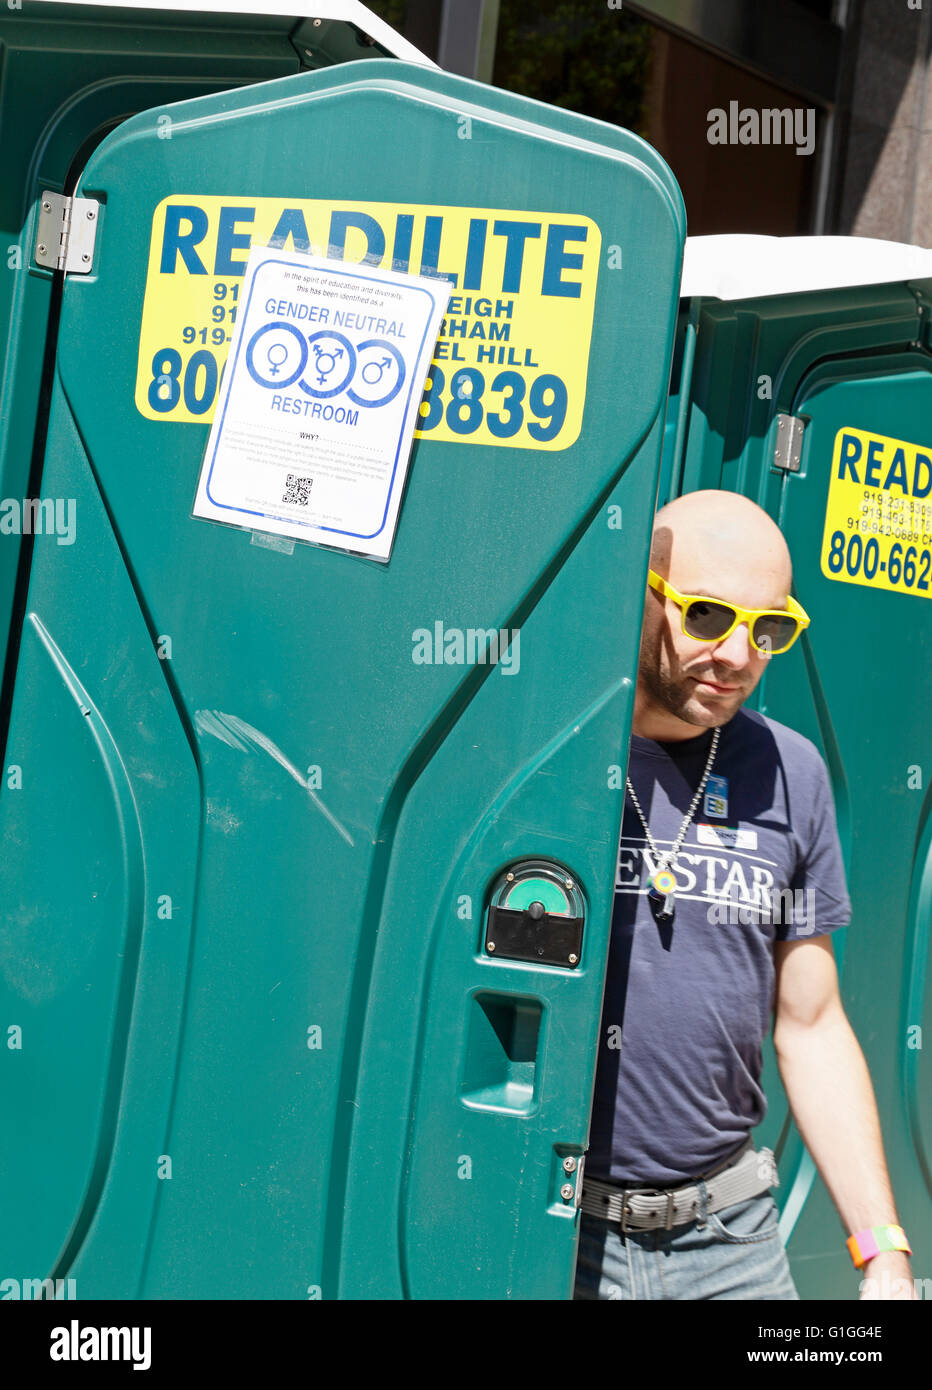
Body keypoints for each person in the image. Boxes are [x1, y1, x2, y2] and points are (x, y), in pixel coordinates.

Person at [573, 489, 916, 1301]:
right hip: (559, 1234)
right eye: (706, 616)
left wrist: (885, 1253)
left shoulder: (790, 772)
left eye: (768, 630)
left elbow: (812, 1023)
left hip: (728, 1239)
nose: (736, 654)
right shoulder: (559, 751)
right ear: (642, 592)